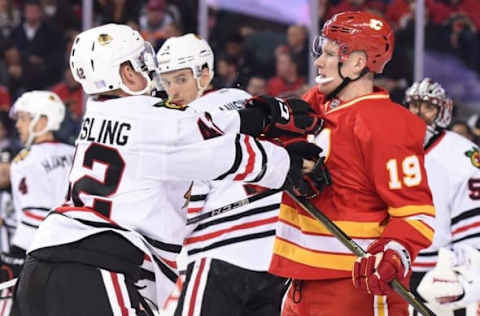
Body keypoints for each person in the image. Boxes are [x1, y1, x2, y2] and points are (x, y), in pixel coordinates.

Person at [12, 23, 324, 316]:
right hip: (98, 265)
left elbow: (183, 128)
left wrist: (255, 116)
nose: (150, 70)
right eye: (139, 61)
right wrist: (289, 164)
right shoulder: (157, 119)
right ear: (126, 74)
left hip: (40, 263)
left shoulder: (98, 114)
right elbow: (223, 152)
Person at [268, 11, 435, 316]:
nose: (319, 63)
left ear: (358, 63)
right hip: (300, 283)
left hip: (356, 289)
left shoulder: (386, 125)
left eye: (330, 54)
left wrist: (394, 253)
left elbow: (416, 214)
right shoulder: (314, 105)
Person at [156, 33, 294, 316]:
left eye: (181, 79)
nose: (173, 91)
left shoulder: (186, 120)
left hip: (220, 256)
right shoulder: (245, 101)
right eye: (166, 82)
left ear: (204, 73)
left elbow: (188, 204)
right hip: (276, 254)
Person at [403, 78, 480, 316]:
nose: (418, 113)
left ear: (442, 110)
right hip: (398, 265)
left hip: (443, 270)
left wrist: (465, 271)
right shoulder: (391, 147)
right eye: (413, 105)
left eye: (428, 106)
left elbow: (473, 222)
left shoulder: (462, 152)